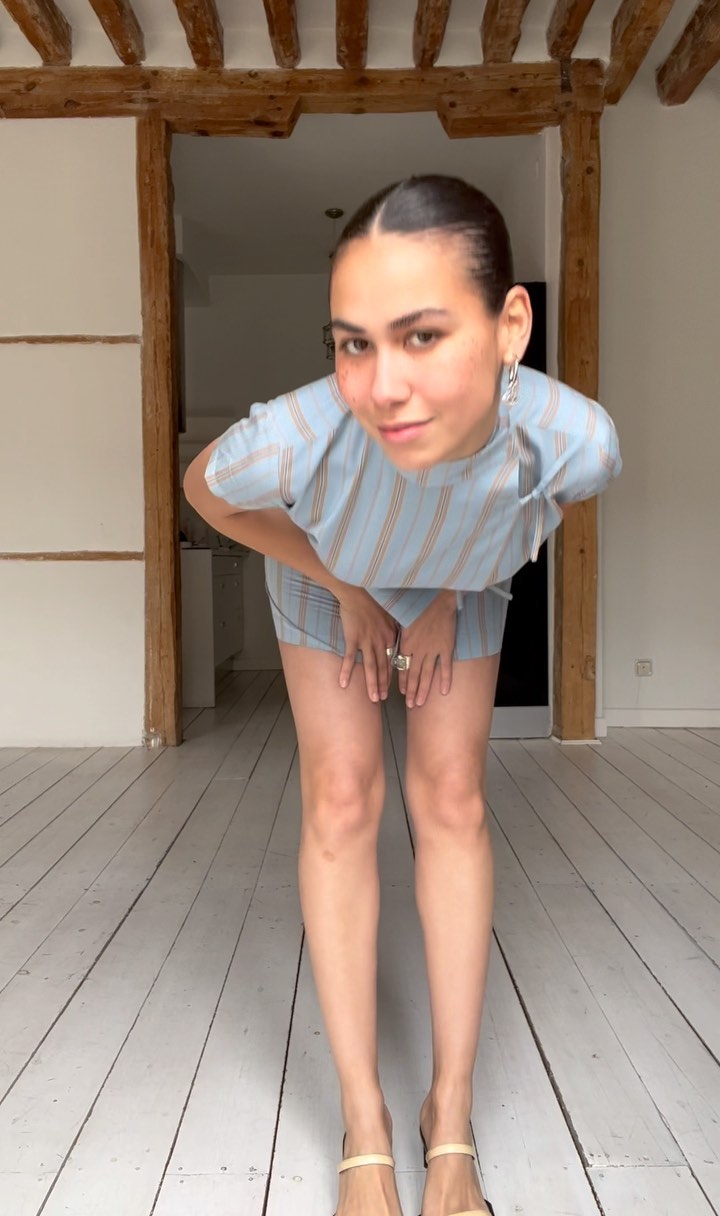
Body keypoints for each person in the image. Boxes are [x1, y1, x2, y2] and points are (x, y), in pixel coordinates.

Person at [183, 175, 621, 1216]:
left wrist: (454, 590)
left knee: (451, 801)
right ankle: (365, 1122)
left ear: (510, 325)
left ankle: (448, 1114)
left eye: (423, 334)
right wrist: (350, 588)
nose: (384, 385)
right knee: (343, 801)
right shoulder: (300, 433)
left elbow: (545, 503)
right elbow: (205, 490)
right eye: (355, 342)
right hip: (325, 567)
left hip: (456, 578)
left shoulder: (573, 437)